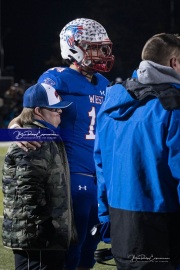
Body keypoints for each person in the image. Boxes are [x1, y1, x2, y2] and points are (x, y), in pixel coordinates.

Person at [8, 18, 114, 270]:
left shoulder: (105, 84)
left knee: (90, 247)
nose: (101, 53)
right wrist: (16, 130)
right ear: (74, 47)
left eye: (102, 47)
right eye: (93, 47)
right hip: (71, 175)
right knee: (70, 248)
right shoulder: (57, 78)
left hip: (101, 177)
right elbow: (28, 115)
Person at [94, 33, 180, 270]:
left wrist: (106, 221)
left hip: (122, 228)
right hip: (164, 231)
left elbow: (101, 170)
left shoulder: (112, 101)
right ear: (174, 63)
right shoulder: (173, 105)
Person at [2, 82, 78, 270]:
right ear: (38, 110)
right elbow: (28, 188)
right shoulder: (32, 138)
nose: (60, 113)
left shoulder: (43, 134)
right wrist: (44, 229)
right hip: (37, 239)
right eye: (55, 109)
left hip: (45, 237)